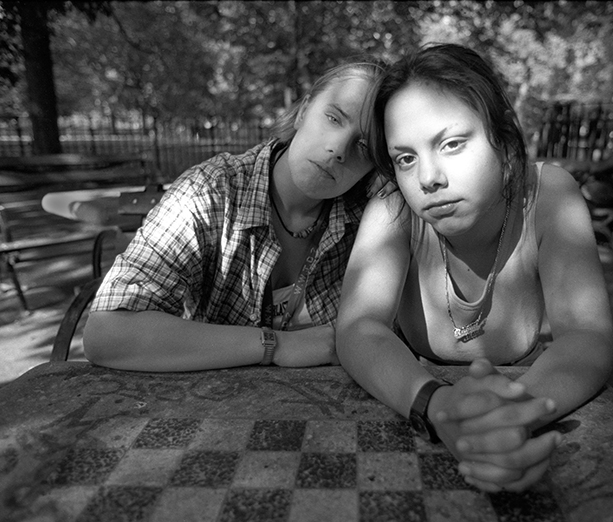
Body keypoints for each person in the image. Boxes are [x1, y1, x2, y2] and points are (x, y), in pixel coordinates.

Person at [336, 44, 613, 493]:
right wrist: (437, 407)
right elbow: (358, 328)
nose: (428, 177)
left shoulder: (549, 195)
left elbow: (585, 336)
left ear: (501, 137)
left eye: (451, 144)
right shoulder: (392, 207)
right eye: (405, 158)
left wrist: (511, 418)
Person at [84, 59, 388, 372]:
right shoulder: (211, 192)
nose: (339, 149)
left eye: (365, 146)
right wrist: (276, 345)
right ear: (303, 111)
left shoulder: (372, 214)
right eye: (334, 118)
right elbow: (107, 333)